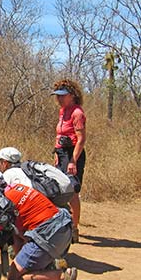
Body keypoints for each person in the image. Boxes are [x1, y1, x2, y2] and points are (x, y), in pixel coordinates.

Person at [0, 169, 77, 280]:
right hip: (63, 229)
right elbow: (19, 232)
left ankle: (63, 275)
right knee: (19, 237)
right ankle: (47, 265)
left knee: (14, 278)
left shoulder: (5, 202)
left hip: (48, 235)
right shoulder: (18, 187)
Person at [51, 79, 87, 243]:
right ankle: (62, 225)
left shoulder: (77, 113)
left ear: (72, 95)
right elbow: (59, 134)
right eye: (57, 96)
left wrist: (73, 161)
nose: (59, 99)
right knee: (59, 190)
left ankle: (74, 228)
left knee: (72, 191)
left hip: (74, 153)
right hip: (62, 153)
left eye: (62, 96)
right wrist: (56, 152)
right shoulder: (62, 111)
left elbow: (81, 139)